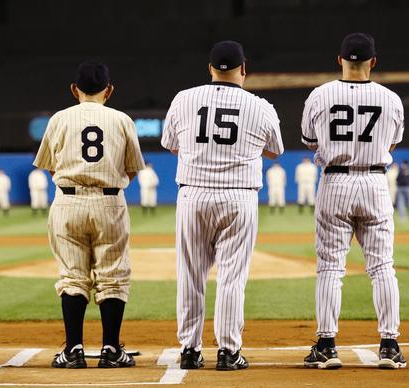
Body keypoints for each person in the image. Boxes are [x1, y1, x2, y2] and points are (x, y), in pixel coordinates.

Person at [162, 40, 284, 371]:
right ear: (244, 69)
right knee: (232, 277)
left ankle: (190, 349)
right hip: (239, 196)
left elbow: (172, 145)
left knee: (190, 274)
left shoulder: (184, 99)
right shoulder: (260, 106)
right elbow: (275, 150)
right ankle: (229, 352)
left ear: (211, 68)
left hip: (194, 194)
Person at [301, 33, 406, 369]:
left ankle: (327, 345)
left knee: (331, 267)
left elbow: (307, 140)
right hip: (375, 182)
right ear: (373, 62)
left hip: (335, 181)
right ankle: (389, 345)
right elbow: (392, 144)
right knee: (382, 267)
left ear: (340, 60)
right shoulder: (391, 98)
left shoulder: (320, 95)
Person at [34, 61, 145, 369]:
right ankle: (111, 350)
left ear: (74, 90)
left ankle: (73, 350)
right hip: (109, 202)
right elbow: (133, 168)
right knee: (113, 276)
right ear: (109, 90)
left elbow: (49, 164)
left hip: (68, 201)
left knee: (72, 276)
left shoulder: (59, 118)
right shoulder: (122, 119)